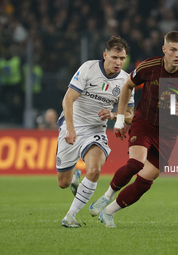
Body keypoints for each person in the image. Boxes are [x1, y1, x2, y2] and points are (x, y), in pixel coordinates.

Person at [89, 31, 178, 228]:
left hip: (168, 133)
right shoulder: (149, 66)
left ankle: (108, 213)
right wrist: (120, 119)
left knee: (146, 180)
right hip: (144, 123)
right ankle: (107, 195)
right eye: (173, 50)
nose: (177, 55)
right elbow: (127, 86)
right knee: (135, 163)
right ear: (164, 50)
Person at [57, 36, 134, 228]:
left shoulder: (125, 81)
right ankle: (74, 174)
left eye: (122, 58)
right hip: (72, 124)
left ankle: (70, 216)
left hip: (96, 130)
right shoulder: (88, 68)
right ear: (105, 55)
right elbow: (68, 99)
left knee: (94, 170)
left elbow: (131, 115)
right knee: (63, 183)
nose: (118, 62)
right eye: (115, 57)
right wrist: (71, 129)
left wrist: (114, 115)